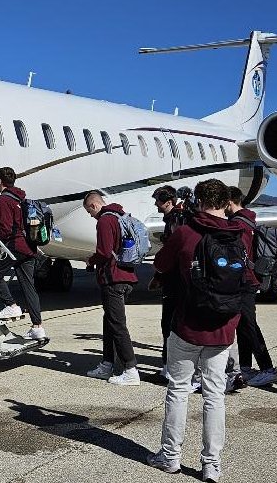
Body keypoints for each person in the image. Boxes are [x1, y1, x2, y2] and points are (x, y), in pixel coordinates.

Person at [147, 179, 244, 482]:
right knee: (215, 396)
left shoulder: (186, 232)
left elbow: (161, 263)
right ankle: (211, 465)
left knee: (178, 390)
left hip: (188, 324)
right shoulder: (240, 233)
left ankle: (170, 456)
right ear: (226, 202)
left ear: (198, 201)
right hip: (223, 328)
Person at [82, 192, 140, 385]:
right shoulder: (120, 216)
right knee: (109, 322)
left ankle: (130, 370)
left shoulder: (105, 221)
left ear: (94, 205)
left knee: (117, 324)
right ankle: (107, 364)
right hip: (126, 275)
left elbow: (105, 252)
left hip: (113, 279)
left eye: (89, 211)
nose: (90, 216)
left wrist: (91, 260)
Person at [226, 186, 277, 388]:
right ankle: (246, 366)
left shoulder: (237, 224)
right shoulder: (249, 220)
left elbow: (238, 255)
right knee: (243, 325)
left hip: (245, 280)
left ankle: (268, 368)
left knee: (249, 325)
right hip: (250, 278)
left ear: (229, 202)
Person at [0, 167, 45, 340]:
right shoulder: (20, 197)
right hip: (29, 246)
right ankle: (37, 327)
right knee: (29, 287)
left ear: (0, 181)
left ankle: (11, 306)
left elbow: (5, 229)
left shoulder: (4, 199)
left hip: (15, 245)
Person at [149, 185, 191, 381]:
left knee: (169, 324)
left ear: (168, 202)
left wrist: (159, 274)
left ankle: (169, 368)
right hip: (179, 280)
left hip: (174, 281)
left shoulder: (175, 221)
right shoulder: (178, 218)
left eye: (158, 201)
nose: (155, 205)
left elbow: (172, 253)